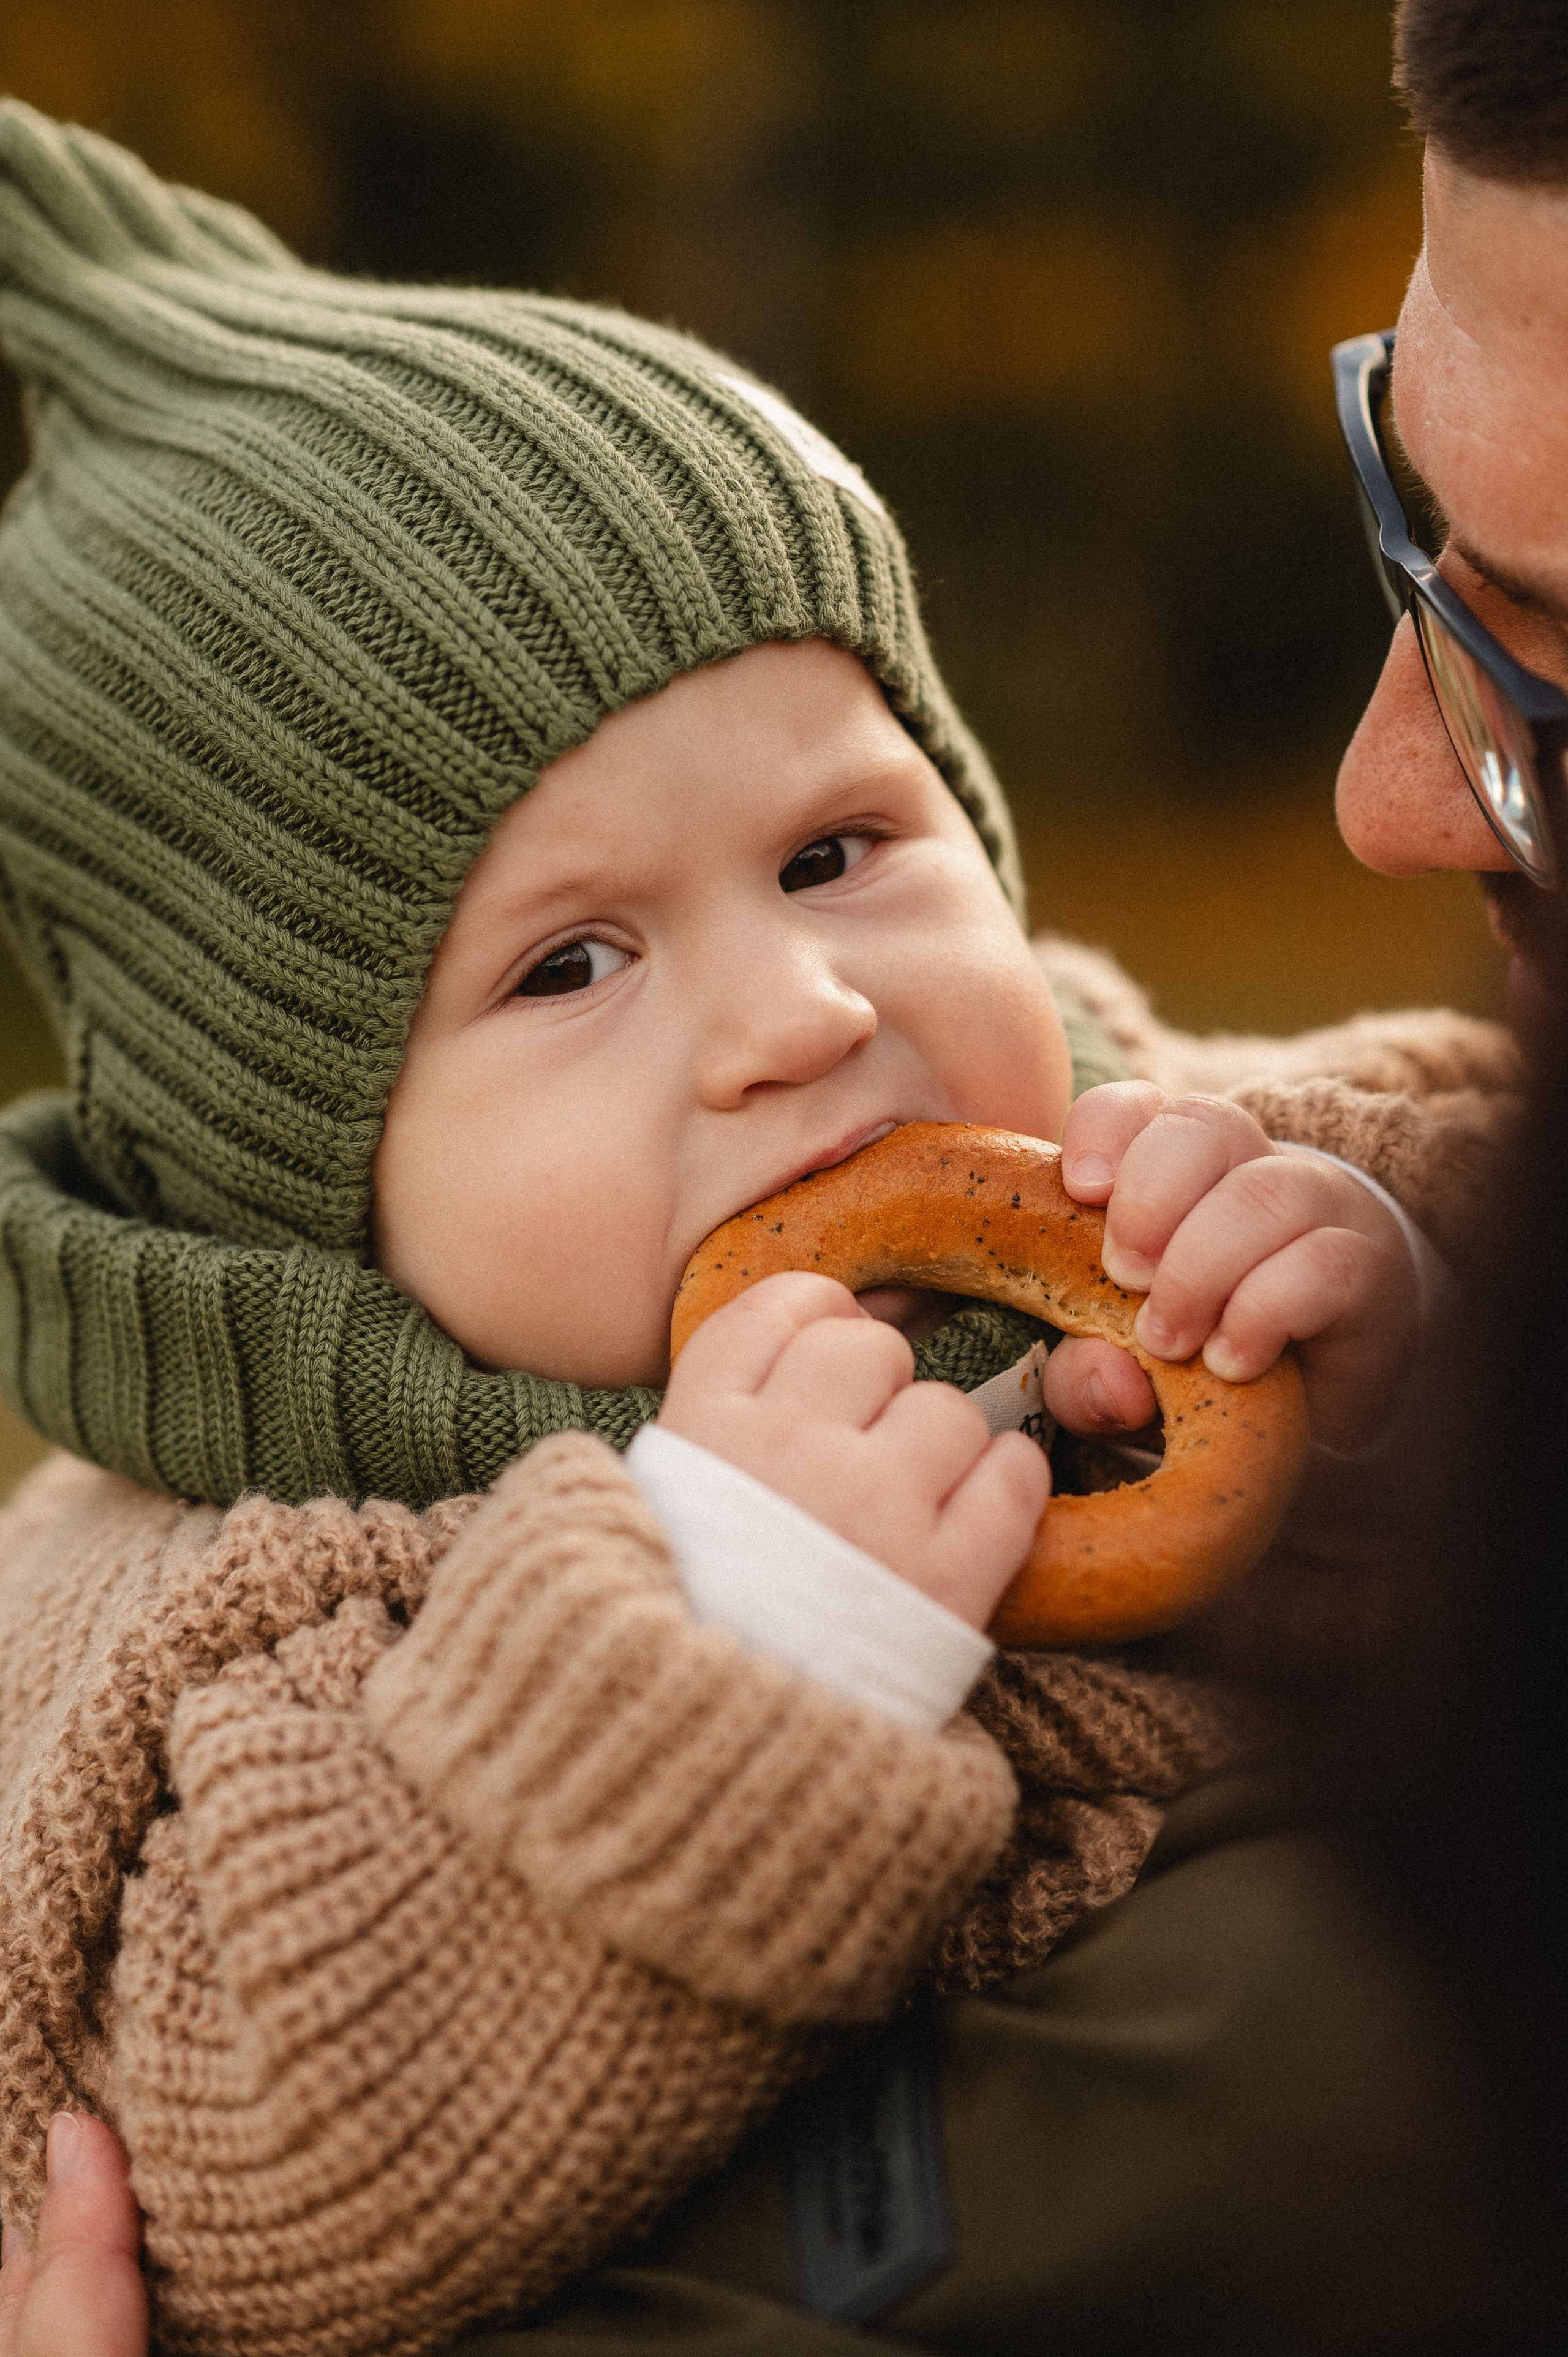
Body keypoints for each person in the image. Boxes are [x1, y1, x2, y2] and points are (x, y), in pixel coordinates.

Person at [0, 80, 1512, 2357]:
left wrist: (1435, 1372)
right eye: (568, 965)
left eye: (837, 851)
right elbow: (249, 2159)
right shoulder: (224, 1604)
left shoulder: (1180, 1171)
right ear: (296, 1173)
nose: (796, 1017)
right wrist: (738, 1633)